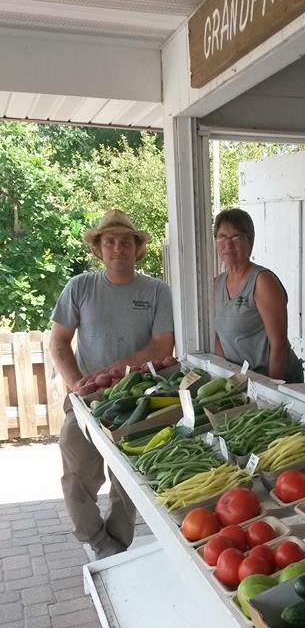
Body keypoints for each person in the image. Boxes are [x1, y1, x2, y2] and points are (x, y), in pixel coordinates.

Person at [50, 209, 174, 559]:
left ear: (137, 248)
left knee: (129, 478)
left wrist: (111, 374)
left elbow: (162, 347)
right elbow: (58, 342)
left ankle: (117, 545)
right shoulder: (80, 287)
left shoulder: (157, 291)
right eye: (110, 242)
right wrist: (79, 385)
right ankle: (97, 539)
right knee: (77, 473)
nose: (118, 249)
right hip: (86, 401)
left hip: (138, 398)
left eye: (125, 242)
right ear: (99, 249)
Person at [213, 208, 304, 383]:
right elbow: (217, 337)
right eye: (222, 237)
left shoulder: (262, 282)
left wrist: (270, 391)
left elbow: (279, 345)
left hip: (272, 378)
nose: (228, 244)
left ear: (250, 241)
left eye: (236, 237)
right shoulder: (216, 284)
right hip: (240, 381)